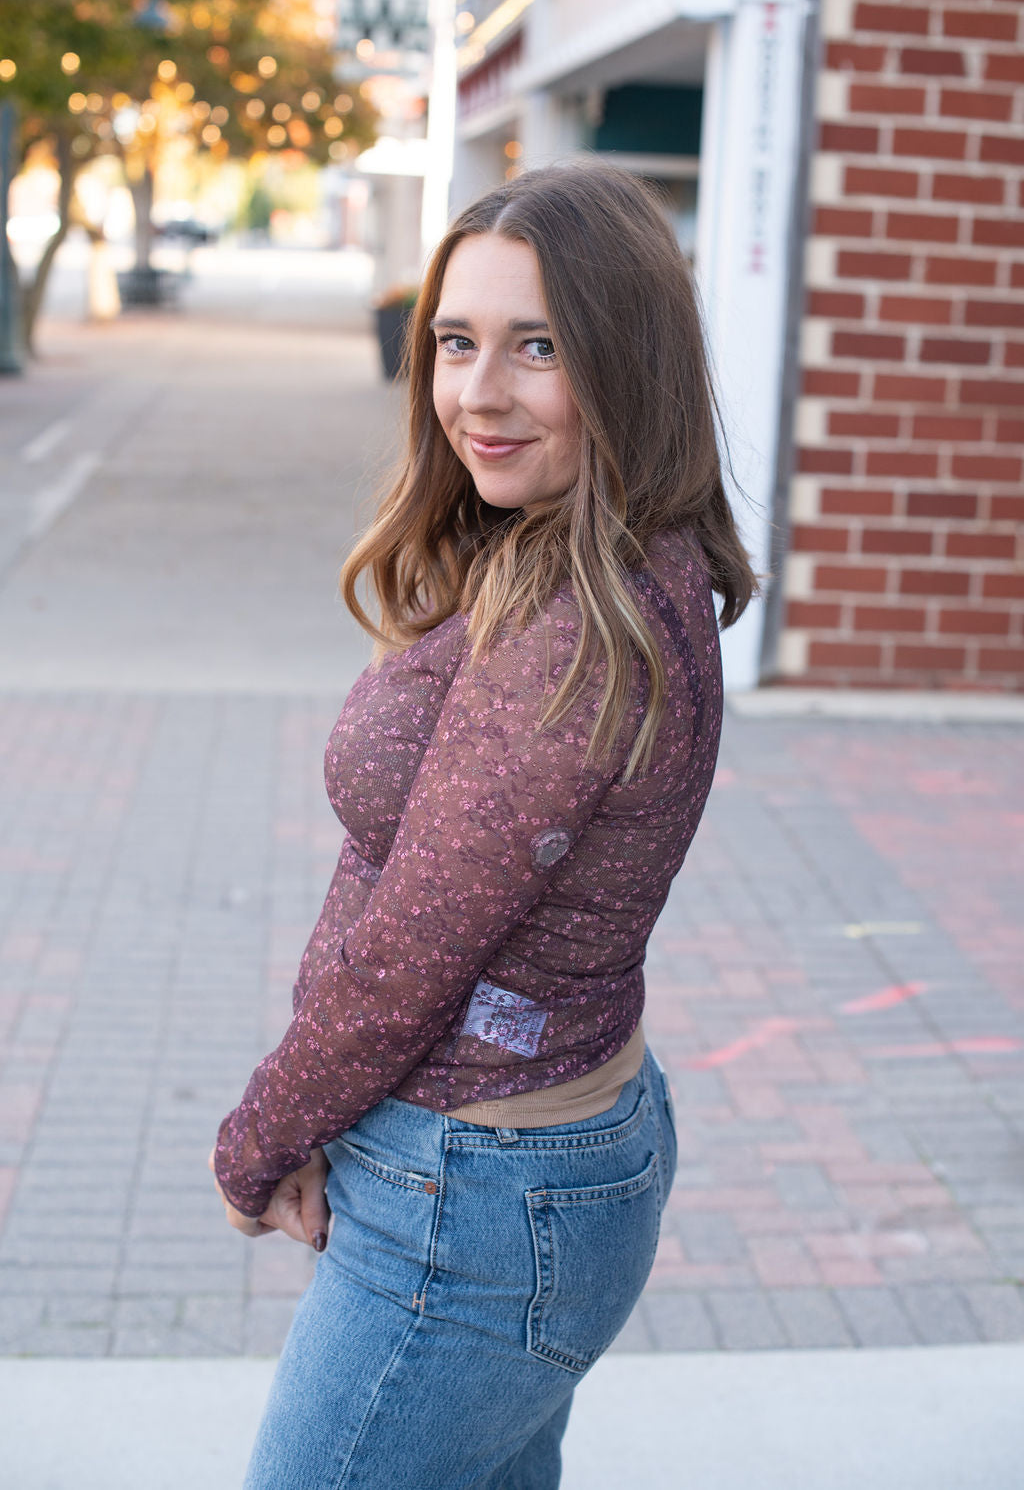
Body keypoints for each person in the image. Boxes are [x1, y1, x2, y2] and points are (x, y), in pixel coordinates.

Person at [210, 159, 758, 1490]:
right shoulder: (600, 555)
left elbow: (410, 956)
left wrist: (258, 1140)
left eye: (538, 349)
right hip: (528, 1163)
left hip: (474, 1198)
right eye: (457, 342)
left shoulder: (583, 634)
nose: (477, 394)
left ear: (628, 364)